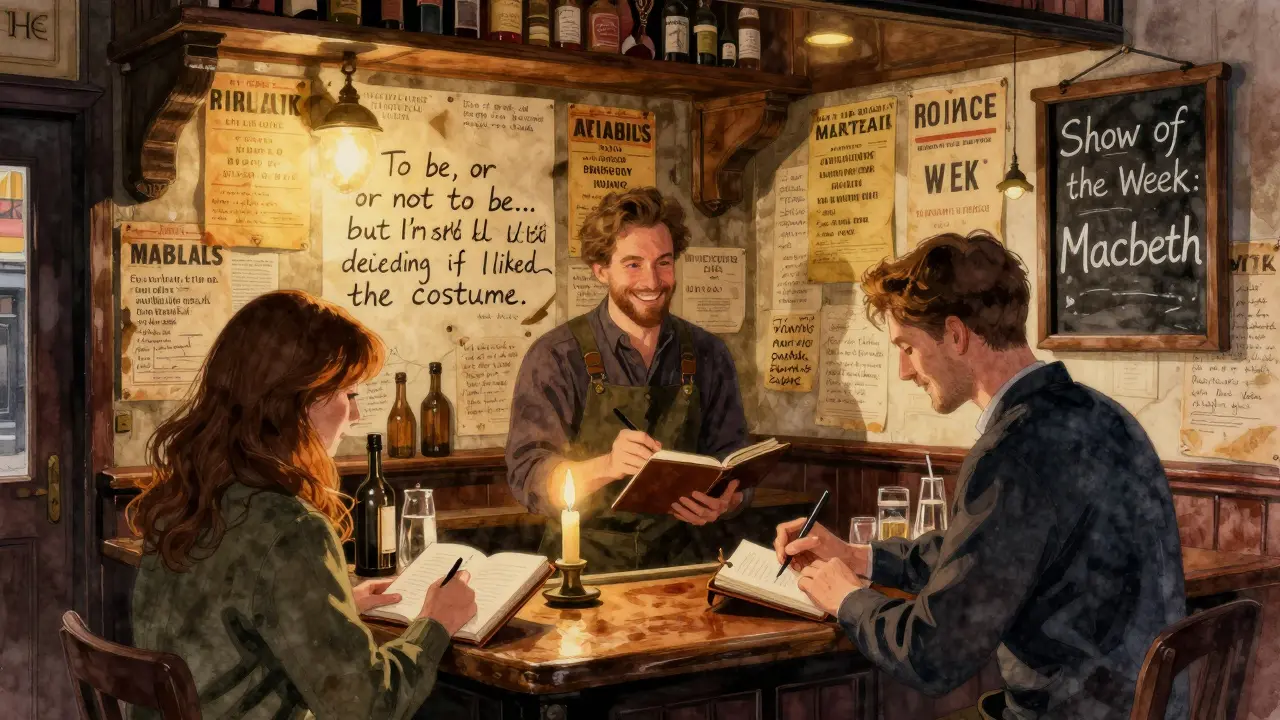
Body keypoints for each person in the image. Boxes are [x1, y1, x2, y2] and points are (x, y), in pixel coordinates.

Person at [774, 232, 1188, 720]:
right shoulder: (1104, 414)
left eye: (908, 347)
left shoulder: (1011, 454)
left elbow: (934, 656)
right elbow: (991, 558)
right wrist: (860, 556)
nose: (905, 372)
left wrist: (847, 598)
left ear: (956, 334)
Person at [127, 290, 478, 720]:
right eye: (348, 394)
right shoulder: (291, 528)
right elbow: (367, 708)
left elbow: (231, 624)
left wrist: (328, 603)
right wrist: (435, 623)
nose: (354, 416)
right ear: (300, 402)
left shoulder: (185, 501)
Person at [506, 187, 750, 572]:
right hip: (582, 570)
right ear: (601, 270)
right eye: (633, 264)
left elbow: (733, 460)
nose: (652, 281)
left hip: (684, 567)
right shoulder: (555, 356)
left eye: (664, 262)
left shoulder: (709, 354)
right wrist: (607, 465)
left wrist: (727, 501)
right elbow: (528, 478)